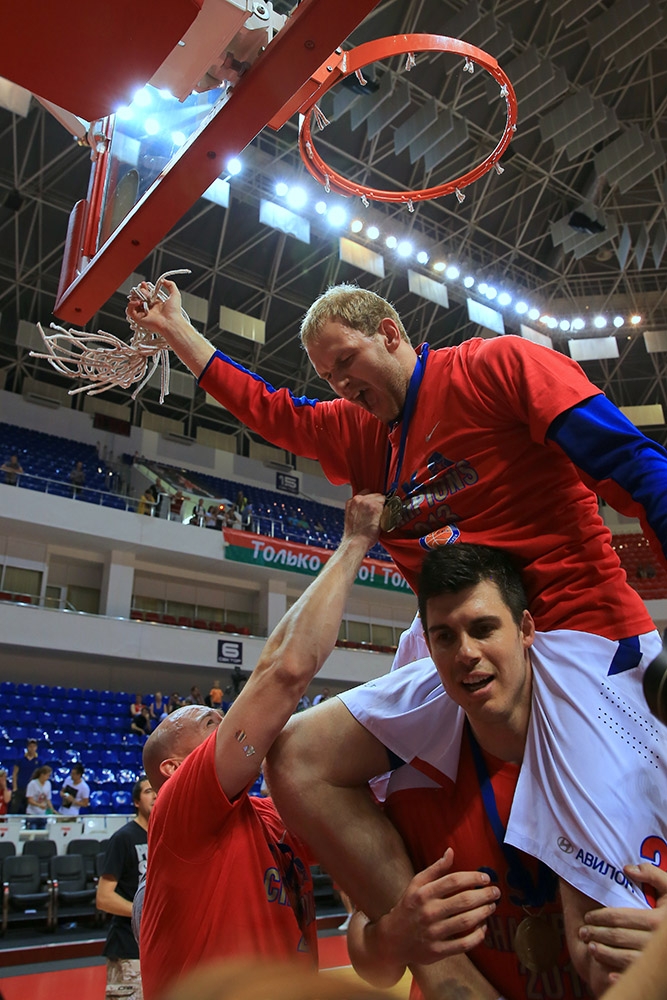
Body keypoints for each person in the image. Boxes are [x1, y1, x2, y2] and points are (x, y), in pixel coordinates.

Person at [127, 280, 667, 921]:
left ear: (389, 333)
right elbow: (270, 411)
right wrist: (176, 328)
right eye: (328, 376)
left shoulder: (498, 367)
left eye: (346, 362)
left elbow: (636, 464)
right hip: (458, 650)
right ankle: (412, 941)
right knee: (298, 758)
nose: (341, 385)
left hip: (577, 632)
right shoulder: (358, 428)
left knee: (603, 929)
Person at [268, 545, 667, 999]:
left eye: (483, 629)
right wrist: (397, 934)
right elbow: (372, 961)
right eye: (445, 637)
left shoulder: (626, 752)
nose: (467, 653)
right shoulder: (408, 775)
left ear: (526, 629)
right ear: (428, 648)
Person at [139, 494, 495, 1000]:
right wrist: (354, 542)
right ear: (174, 770)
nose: (226, 723)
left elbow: (358, 847)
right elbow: (284, 672)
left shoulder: (267, 817)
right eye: (209, 722)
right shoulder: (180, 811)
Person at [97, 776, 156, 1000]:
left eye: (157, 790)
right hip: (128, 950)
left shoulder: (166, 835)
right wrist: (144, 914)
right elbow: (104, 898)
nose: (155, 795)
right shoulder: (123, 838)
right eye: (148, 791)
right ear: (136, 802)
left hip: (157, 948)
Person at [11, 737, 39, 813]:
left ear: (36, 748)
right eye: (30, 746)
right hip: (20, 788)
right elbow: (14, 773)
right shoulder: (20, 759)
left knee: (29, 810)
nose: (32, 748)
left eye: (34, 746)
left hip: (32, 790)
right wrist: (15, 787)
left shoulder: (39, 761)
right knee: (14, 809)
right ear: (27, 747)